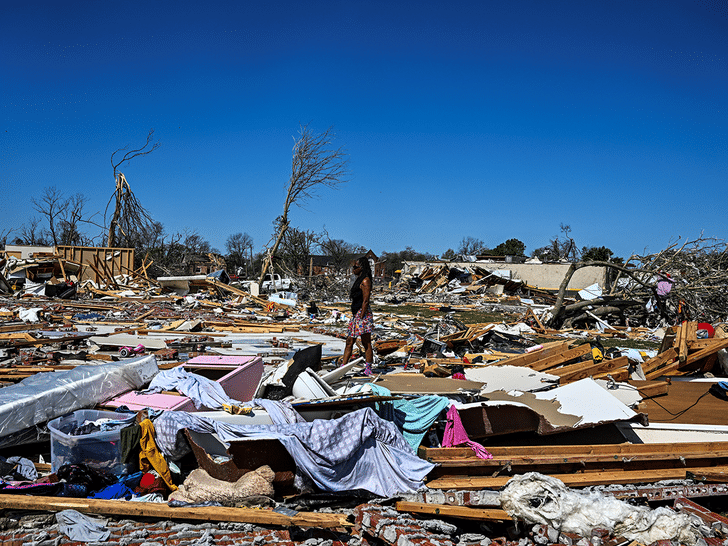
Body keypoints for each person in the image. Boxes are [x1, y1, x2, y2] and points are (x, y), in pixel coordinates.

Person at [341, 256, 374, 372]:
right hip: (356, 314)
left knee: (366, 342)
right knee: (349, 341)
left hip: (362, 314)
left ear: (362, 267)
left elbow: (366, 300)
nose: (353, 269)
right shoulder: (359, 279)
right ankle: (343, 367)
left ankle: (368, 368)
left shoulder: (365, 281)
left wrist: (361, 317)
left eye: (355, 267)